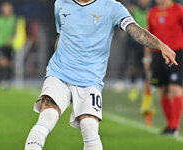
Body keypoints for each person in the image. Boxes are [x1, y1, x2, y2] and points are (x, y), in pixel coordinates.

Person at [24, 0, 177, 149]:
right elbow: (61, 35)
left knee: (89, 126)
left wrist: (160, 45)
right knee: (47, 118)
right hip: (59, 73)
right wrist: (54, 68)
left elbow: (135, 30)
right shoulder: (61, 3)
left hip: (90, 79)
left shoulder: (112, 7)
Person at [143, 0, 183, 136]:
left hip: (177, 53)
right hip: (158, 56)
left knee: (175, 88)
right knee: (163, 90)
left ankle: (175, 126)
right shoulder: (152, 13)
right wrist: (146, 58)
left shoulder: (179, 10)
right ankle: (169, 125)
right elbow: (148, 37)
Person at [0, 2, 16, 85]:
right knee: (2, 61)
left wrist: (12, 38)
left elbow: (16, 31)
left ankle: (7, 78)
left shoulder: (14, 19)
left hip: (9, 45)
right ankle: (3, 79)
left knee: (9, 63)